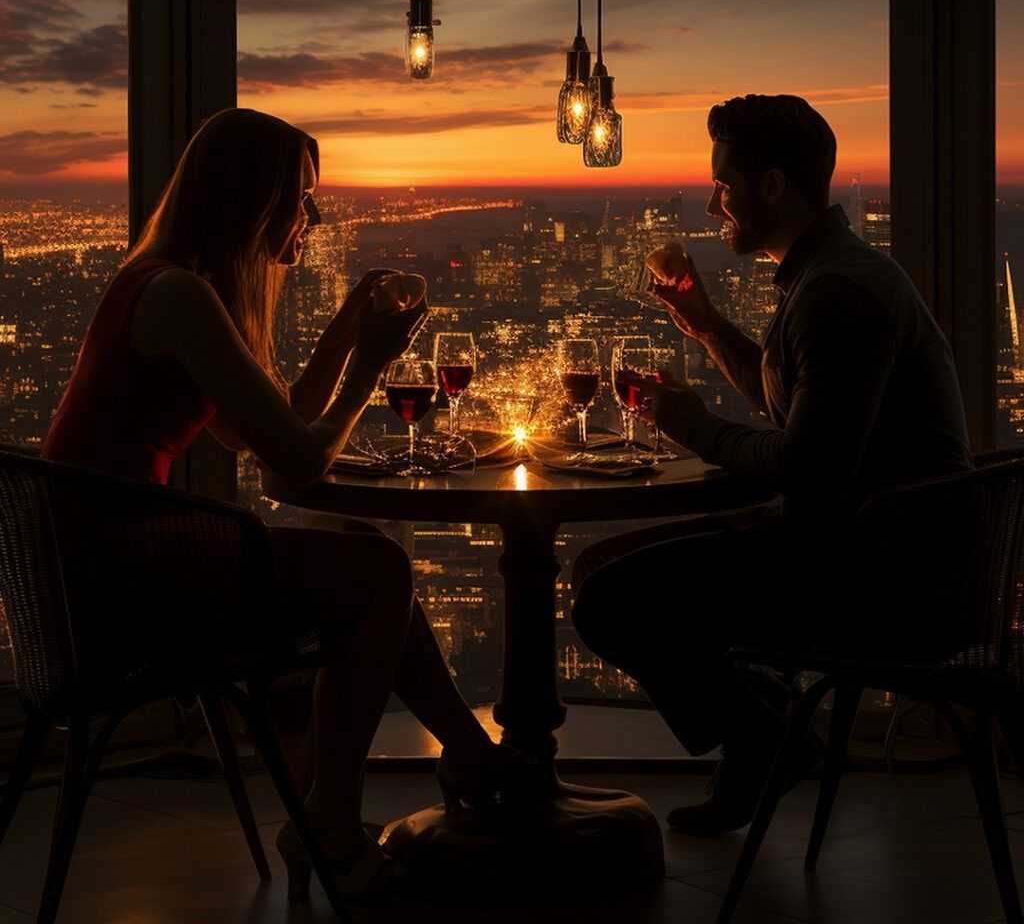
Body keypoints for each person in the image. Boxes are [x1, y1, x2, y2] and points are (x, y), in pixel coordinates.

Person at [42, 108, 520, 896]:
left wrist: (342, 334)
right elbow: (295, 466)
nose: (315, 216)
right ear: (252, 201)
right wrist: (369, 368)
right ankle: (330, 822)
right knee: (376, 570)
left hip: (104, 558)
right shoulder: (181, 296)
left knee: (368, 557)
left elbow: (261, 431)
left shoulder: (164, 284)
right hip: (123, 579)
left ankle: (462, 754)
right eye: (302, 196)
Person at [571, 94, 973, 836]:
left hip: (885, 577)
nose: (715, 201)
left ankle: (767, 737)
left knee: (607, 601)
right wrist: (706, 323)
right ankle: (771, 727)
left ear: (775, 187)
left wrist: (692, 424)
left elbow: (806, 465)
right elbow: (796, 408)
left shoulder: (839, 294)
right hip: (857, 544)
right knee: (599, 568)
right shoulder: (827, 277)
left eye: (726, 183)